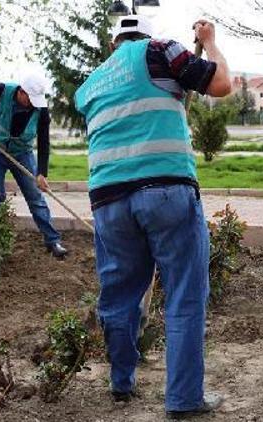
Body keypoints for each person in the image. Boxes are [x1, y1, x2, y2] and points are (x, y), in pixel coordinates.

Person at [75, 15, 231, 419]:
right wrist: (209, 43)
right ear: (144, 35)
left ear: (114, 44)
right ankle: (183, 400)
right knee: (183, 294)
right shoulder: (160, 50)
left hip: (108, 201)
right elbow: (221, 85)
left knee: (119, 296)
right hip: (165, 191)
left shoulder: (90, 85)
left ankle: (121, 380)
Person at [0, 73, 68, 258]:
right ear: (21, 92)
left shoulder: (41, 110)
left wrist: (41, 173)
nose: (32, 104)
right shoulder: (0, 91)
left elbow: (44, 142)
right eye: (30, 99)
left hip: (22, 153)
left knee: (35, 197)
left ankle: (52, 241)